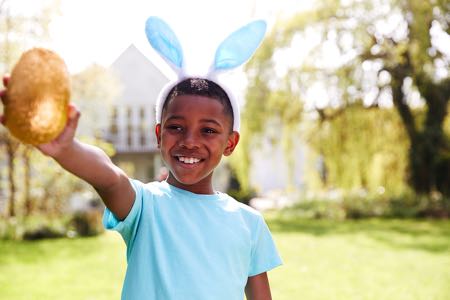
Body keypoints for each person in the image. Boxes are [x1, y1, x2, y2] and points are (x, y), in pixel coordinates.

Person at [0, 73, 282, 299]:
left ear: (230, 143)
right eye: (176, 127)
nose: (190, 141)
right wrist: (67, 149)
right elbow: (109, 176)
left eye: (208, 130)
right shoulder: (145, 205)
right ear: (159, 135)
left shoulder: (250, 223)